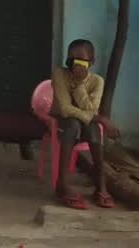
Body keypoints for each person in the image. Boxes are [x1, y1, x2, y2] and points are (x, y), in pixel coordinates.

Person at [51, 39, 119, 210]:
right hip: (60, 119)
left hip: (85, 120)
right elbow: (65, 109)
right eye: (71, 58)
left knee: (93, 126)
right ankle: (62, 184)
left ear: (91, 62)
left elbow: (92, 109)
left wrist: (79, 84)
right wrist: (101, 119)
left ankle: (100, 186)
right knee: (74, 124)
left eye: (80, 59)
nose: (75, 63)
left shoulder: (97, 81)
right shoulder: (60, 73)